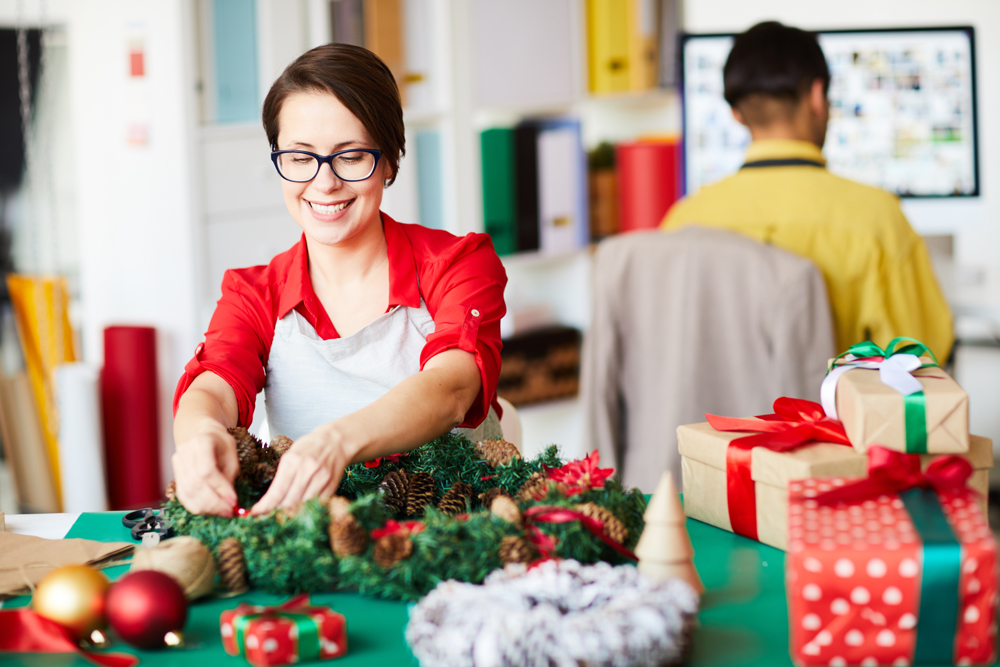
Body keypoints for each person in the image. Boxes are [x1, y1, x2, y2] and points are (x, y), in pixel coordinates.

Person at [171, 44, 506, 517]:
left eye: (350, 156)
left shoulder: (458, 263)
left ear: (389, 161)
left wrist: (334, 441)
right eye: (300, 157)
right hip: (321, 535)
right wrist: (202, 435)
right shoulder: (255, 293)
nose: (324, 183)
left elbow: (451, 389)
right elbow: (212, 386)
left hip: (460, 527)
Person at [662, 21, 953, 361]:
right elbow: (922, 358)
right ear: (817, 96)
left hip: (707, 416)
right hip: (830, 413)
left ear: (736, 113)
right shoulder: (876, 220)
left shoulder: (682, 221)